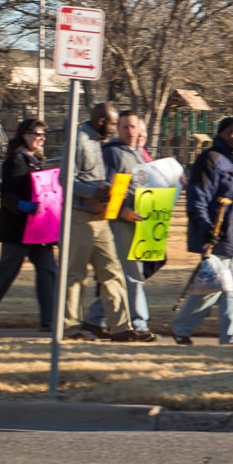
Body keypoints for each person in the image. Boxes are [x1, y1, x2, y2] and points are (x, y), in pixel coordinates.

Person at [0, 118, 58, 331]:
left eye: (43, 134)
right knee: (7, 270)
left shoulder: (36, 159)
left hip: (39, 229)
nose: (41, 138)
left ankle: (50, 319)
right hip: (18, 229)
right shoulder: (16, 160)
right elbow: (7, 194)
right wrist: (23, 206)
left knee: (47, 269)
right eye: (38, 134)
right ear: (25, 135)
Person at [172, 116, 233, 345]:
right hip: (217, 235)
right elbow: (197, 197)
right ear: (221, 133)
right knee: (221, 287)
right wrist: (205, 229)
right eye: (232, 131)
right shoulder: (210, 159)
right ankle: (229, 336)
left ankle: (186, 328)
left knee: (222, 287)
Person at [81, 110, 157, 341]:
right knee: (132, 274)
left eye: (133, 126)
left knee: (124, 274)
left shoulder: (138, 154)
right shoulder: (114, 153)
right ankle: (138, 324)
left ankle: (95, 318)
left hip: (141, 222)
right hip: (121, 223)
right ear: (117, 128)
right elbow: (110, 191)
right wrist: (125, 213)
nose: (130, 131)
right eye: (125, 126)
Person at [60, 102, 132, 342]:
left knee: (112, 271)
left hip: (100, 218)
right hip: (79, 218)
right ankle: (69, 329)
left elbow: (91, 178)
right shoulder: (79, 139)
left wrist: (108, 191)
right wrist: (94, 193)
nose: (115, 129)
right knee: (75, 275)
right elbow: (64, 180)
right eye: (113, 124)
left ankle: (121, 328)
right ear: (101, 122)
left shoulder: (98, 142)